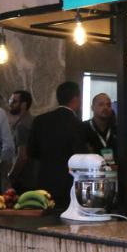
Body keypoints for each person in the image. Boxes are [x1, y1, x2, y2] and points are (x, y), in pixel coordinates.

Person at [28, 81, 89, 209]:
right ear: (76, 99)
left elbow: (32, 152)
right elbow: (81, 157)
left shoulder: (40, 121)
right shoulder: (78, 125)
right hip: (68, 184)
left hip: (43, 180)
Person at [83, 92, 127, 172]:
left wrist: (121, 168)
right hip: (91, 178)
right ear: (92, 108)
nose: (105, 107)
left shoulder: (121, 132)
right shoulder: (82, 129)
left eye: (108, 105)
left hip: (117, 179)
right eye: (101, 104)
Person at [7, 89, 35, 193]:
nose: (10, 104)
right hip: (32, 177)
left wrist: (11, 175)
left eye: (14, 101)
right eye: (10, 100)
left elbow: (22, 156)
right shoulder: (32, 121)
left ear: (23, 104)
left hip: (22, 178)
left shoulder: (22, 126)